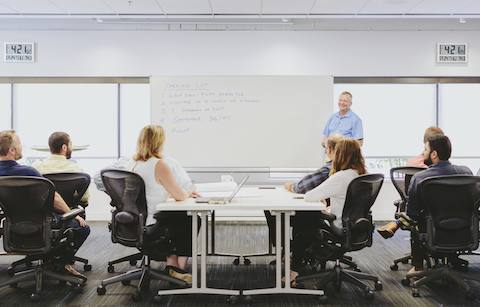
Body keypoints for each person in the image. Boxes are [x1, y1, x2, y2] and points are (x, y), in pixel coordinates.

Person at [0, 130, 90, 278]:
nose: (22, 148)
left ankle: (49, 259)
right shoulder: (27, 172)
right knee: (81, 227)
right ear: (12, 150)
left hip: (12, 225)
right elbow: (54, 198)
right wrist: (71, 213)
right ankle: (60, 261)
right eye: (20, 145)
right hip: (41, 222)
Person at [289, 139, 367, 283]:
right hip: (357, 226)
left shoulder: (341, 177)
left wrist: (324, 202)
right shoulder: (361, 175)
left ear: (341, 154)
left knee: (303, 219)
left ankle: (294, 270)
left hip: (339, 226)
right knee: (308, 218)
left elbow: (309, 196)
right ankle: (305, 259)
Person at [129, 125, 199, 283]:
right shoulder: (159, 164)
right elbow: (180, 195)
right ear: (159, 142)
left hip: (135, 221)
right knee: (191, 219)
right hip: (154, 221)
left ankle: (172, 263)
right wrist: (189, 191)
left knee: (179, 217)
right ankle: (177, 268)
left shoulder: (133, 164)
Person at [406, 135, 472, 274]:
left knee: (414, 223)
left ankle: (418, 267)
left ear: (434, 154)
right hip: (464, 231)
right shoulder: (466, 172)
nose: (423, 153)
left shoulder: (420, 178)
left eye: (425, 149)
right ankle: (452, 259)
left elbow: (412, 213)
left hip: (433, 233)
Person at [377, 126, 445, 239]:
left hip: (420, 209)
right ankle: (399, 222)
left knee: (414, 211)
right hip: (444, 209)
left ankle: (398, 222)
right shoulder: (457, 172)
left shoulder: (413, 163)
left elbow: (410, 195)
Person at [32, 131, 89, 203]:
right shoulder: (77, 169)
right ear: (64, 147)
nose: (72, 148)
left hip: (44, 211)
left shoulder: (37, 167)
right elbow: (84, 198)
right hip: (69, 212)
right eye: (70, 144)